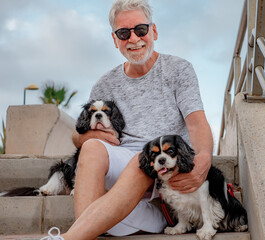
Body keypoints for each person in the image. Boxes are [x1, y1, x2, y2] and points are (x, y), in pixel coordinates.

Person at [42, 0, 213, 239]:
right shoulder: (105, 83)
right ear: (115, 39)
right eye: (124, 33)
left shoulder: (178, 69)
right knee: (90, 147)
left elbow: (196, 121)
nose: (133, 39)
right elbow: (77, 134)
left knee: (142, 159)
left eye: (140, 29)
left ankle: (69, 238)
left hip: (164, 168)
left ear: (153, 31)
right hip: (124, 179)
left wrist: (204, 158)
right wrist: (88, 135)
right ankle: (88, 229)